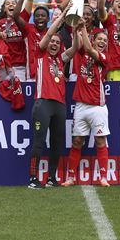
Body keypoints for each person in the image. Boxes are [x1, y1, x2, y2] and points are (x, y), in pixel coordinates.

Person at [28, 12, 78, 189]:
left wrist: (78, 30)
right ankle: (33, 179)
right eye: (52, 42)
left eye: (58, 42)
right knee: (39, 141)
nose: (54, 44)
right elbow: (49, 34)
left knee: (57, 143)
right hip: (43, 103)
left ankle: (51, 178)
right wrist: (63, 16)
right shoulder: (40, 54)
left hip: (59, 105)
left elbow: (74, 49)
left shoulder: (61, 60)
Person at [63, 24, 110, 187]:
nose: (102, 42)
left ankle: (103, 177)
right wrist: (77, 30)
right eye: (100, 39)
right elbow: (79, 46)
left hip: (98, 106)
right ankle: (70, 177)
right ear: (94, 40)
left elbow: (89, 50)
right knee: (77, 141)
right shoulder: (84, 52)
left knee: (100, 140)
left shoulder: (105, 58)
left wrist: (83, 29)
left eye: (105, 40)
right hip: (81, 106)